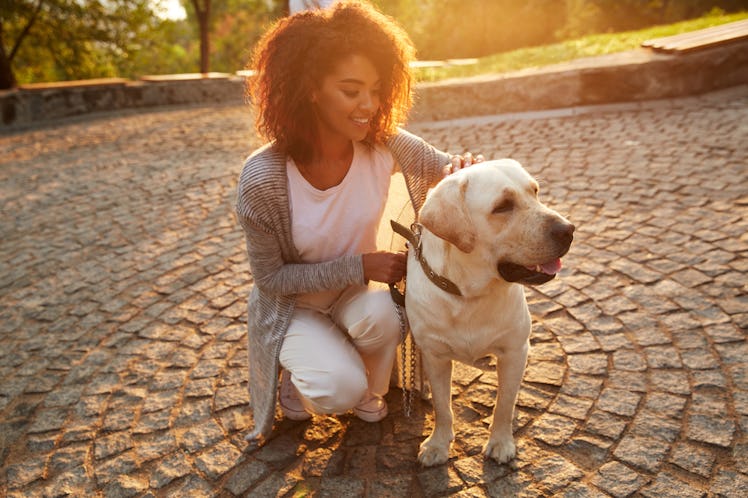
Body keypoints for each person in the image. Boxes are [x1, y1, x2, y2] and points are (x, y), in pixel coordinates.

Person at [236, 0, 480, 445]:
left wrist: (469, 170)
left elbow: (443, 167)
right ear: (310, 88)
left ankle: (367, 384)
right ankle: (298, 372)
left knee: (386, 320)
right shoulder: (263, 177)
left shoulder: (382, 142)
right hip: (294, 307)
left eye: (375, 88)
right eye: (351, 91)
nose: (369, 104)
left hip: (355, 298)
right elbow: (270, 279)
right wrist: (361, 267)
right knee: (336, 389)